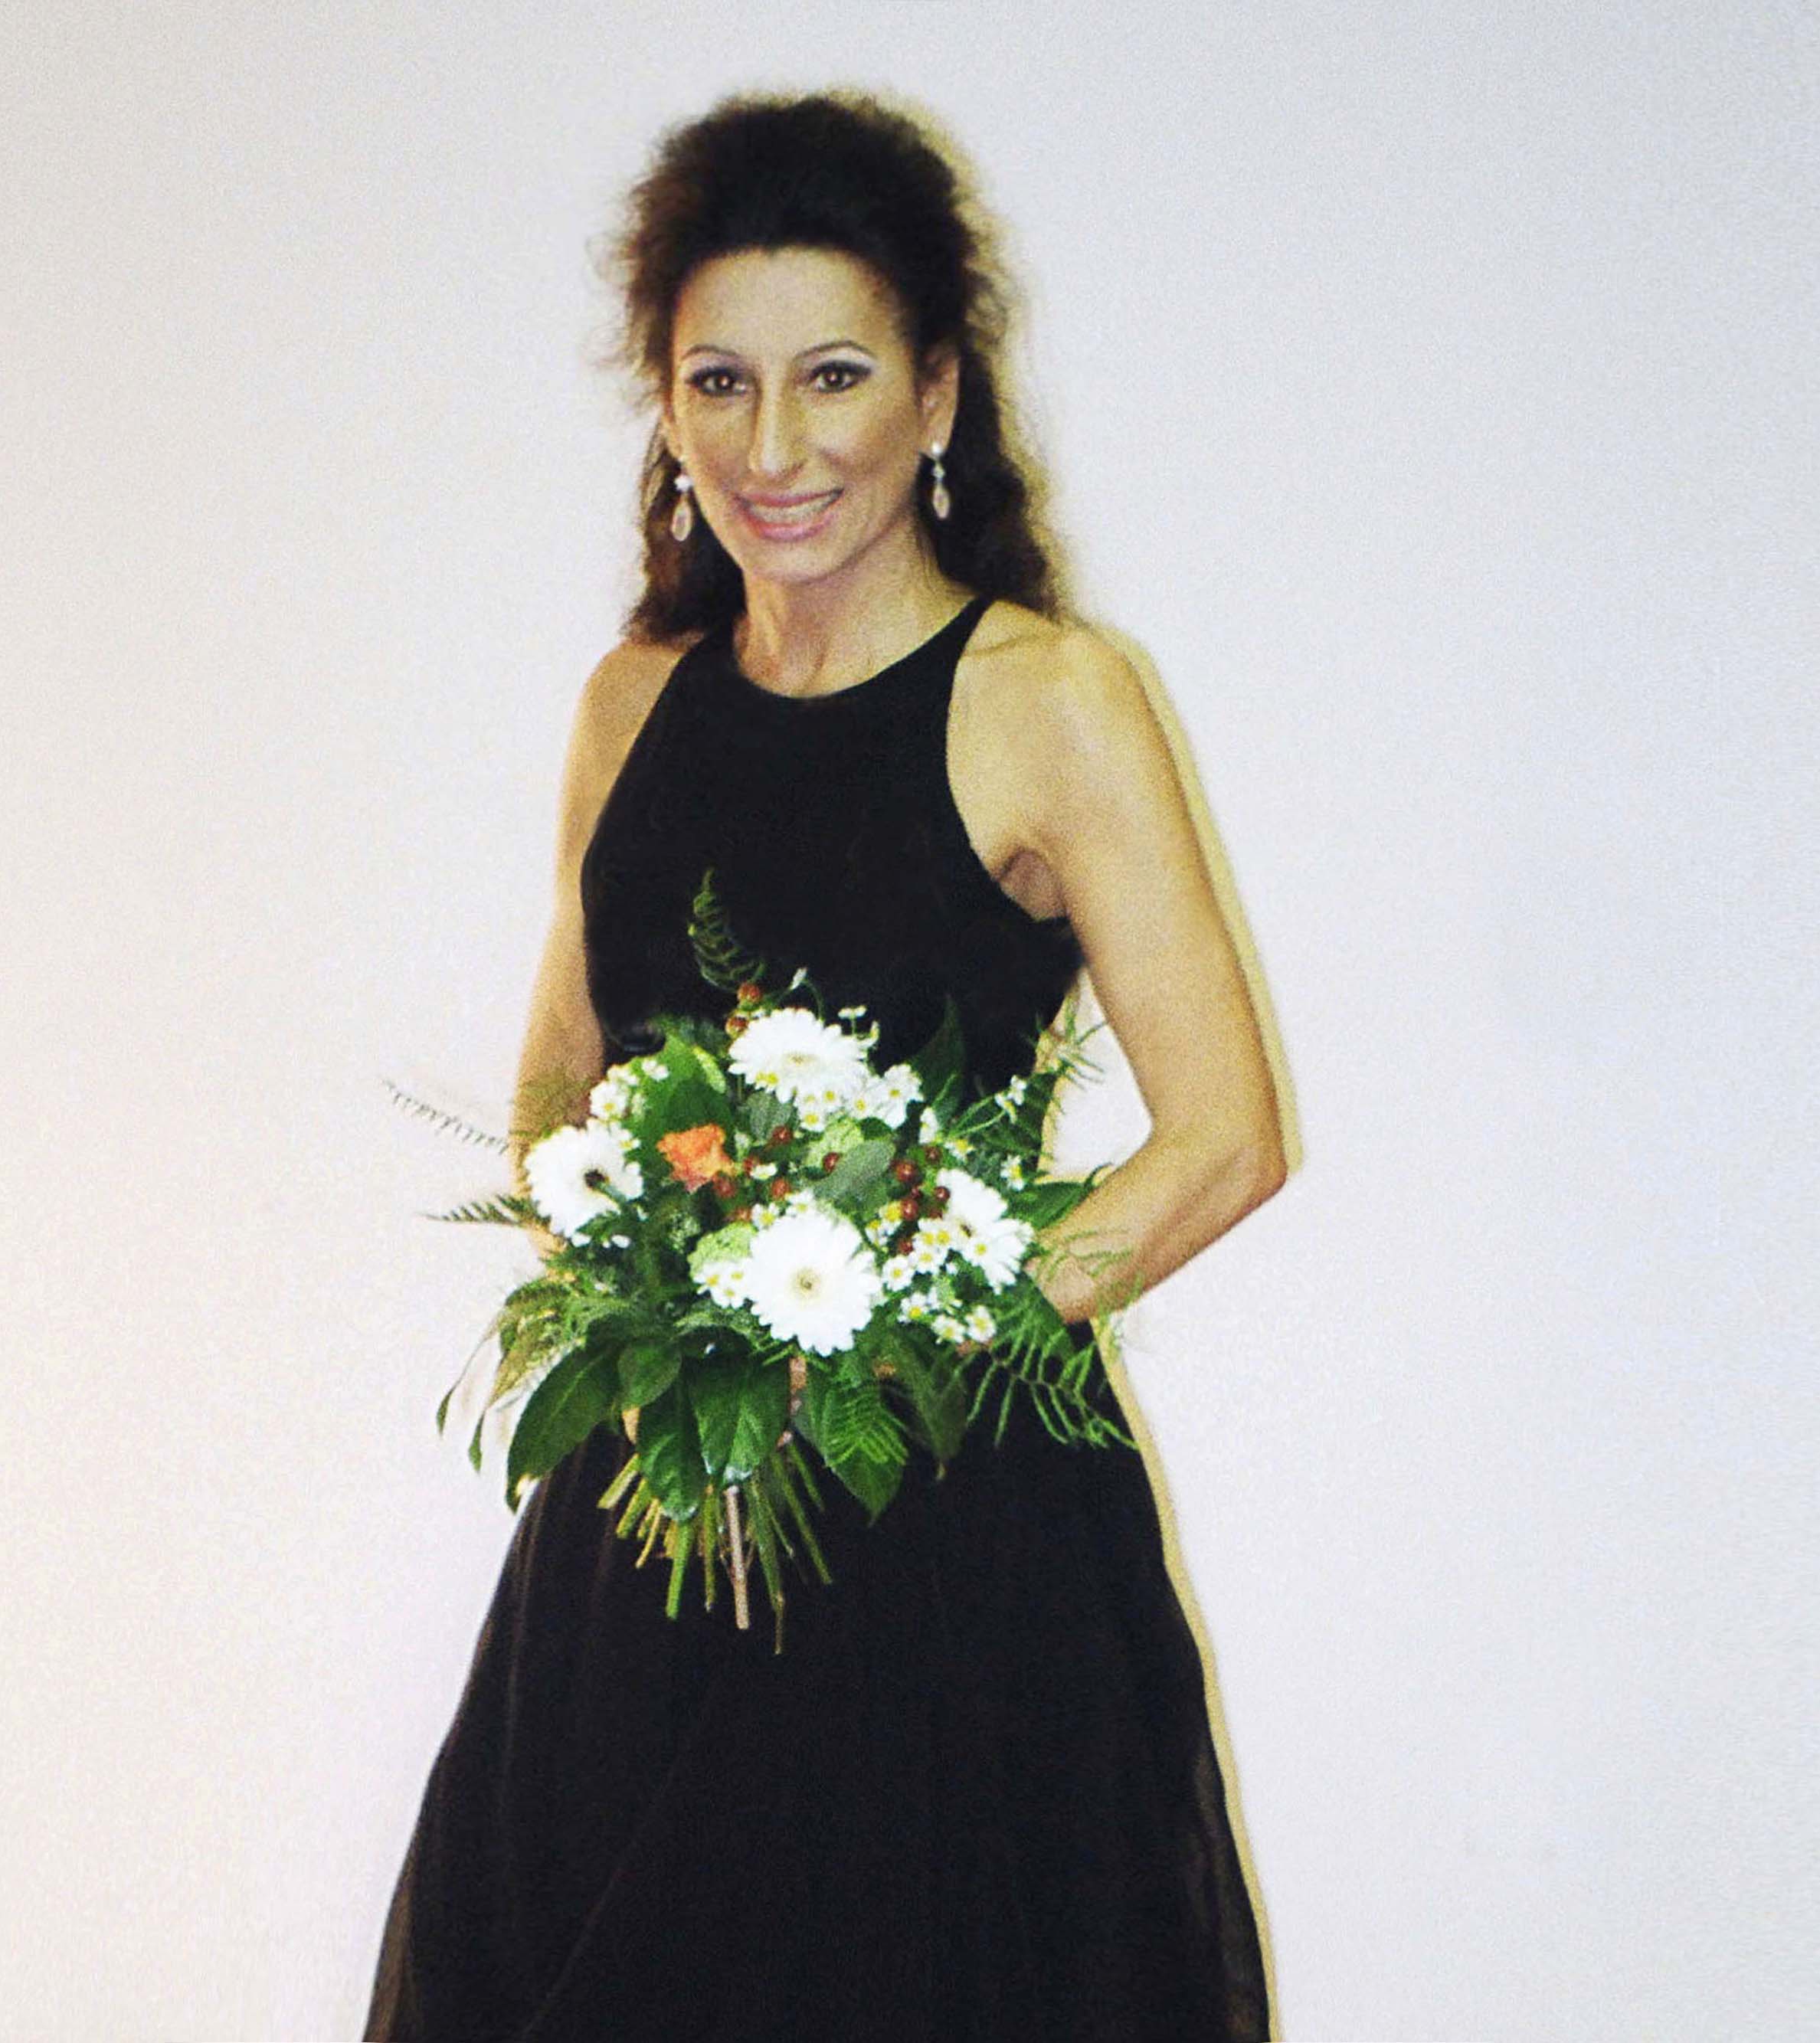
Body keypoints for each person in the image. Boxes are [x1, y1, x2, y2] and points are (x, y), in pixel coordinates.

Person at [365, 88, 1286, 2042]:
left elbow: (1224, 1135)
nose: (773, 447)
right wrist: (651, 1302)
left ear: (939, 393)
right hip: (654, 1539)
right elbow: (556, 1099)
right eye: (720, 382)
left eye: (835, 376)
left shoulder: (1051, 700)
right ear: (666, 404)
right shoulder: (632, 704)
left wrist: (906, 1336)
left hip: (958, 1561)